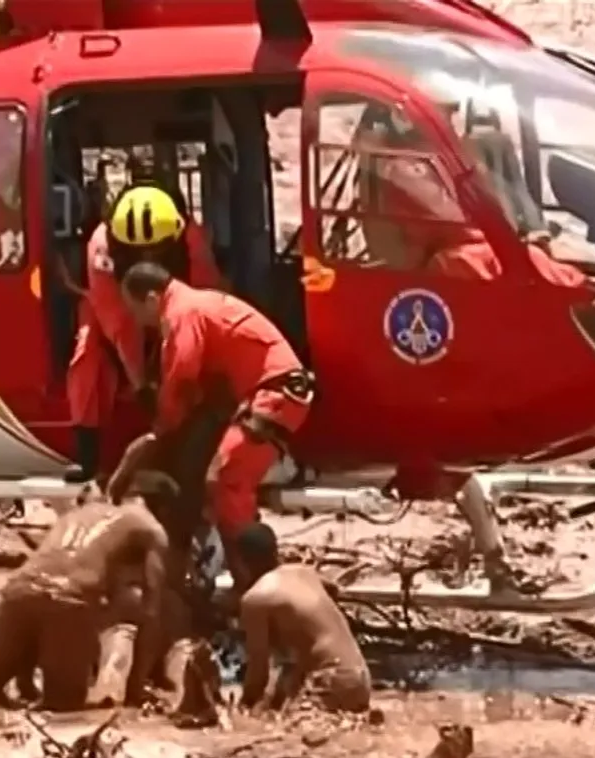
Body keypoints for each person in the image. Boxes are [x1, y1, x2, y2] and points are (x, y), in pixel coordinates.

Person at [113, 261, 314, 593]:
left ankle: (257, 583)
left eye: (136, 310)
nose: (138, 321)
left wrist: (161, 430)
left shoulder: (182, 314)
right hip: (267, 395)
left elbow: (181, 377)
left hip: (273, 397)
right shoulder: (197, 304)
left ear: (151, 299)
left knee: (222, 478)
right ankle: (242, 578)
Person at [63, 184, 224, 484]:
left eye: (157, 250)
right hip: (113, 306)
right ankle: (87, 453)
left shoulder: (191, 238)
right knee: (86, 353)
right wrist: (141, 386)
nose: (148, 256)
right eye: (139, 252)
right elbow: (119, 323)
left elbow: (209, 299)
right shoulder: (101, 250)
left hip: (178, 304)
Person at [0, 497, 169, 711]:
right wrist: (136, 689)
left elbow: (41, 596)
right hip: (69, 600)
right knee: (65, 705)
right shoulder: (150, 527)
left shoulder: (80, 514)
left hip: (18, 591)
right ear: (165, 510)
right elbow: (152, 610)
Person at [233, 523, 371, 713]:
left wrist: (243, 708)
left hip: (331, 679)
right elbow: (333, 589)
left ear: (242, 562)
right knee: (288, 680)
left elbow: (259, 673)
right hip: (360, 676)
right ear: (275, 550)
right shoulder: (305, 572)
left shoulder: (256, 598)